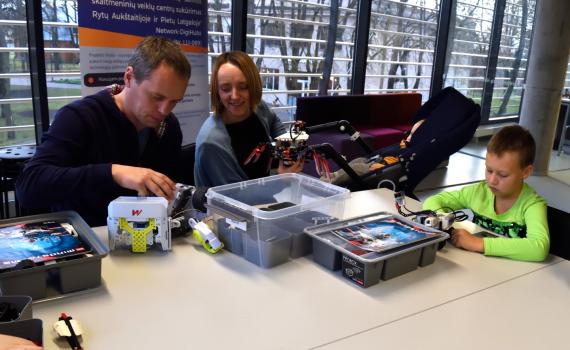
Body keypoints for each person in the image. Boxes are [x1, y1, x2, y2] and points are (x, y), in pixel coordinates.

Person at [16, 36, 191, 226]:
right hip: (88, 238)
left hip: (146, 239)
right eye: (156, 97)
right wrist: (113, 173)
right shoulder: (80, 117)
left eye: (174, 101)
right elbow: (28, 187)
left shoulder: (168, 128)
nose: (164, 110)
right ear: (129, 77)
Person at [423, 125, 549, 262]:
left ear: (525, 172)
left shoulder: (532, 204)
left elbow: (539, 248)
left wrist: (478, 243)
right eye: (489, 170)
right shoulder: (479, 191)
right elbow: (433, 200)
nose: (492, 180)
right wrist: (444, 223)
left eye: (503, 175)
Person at [194, 51, 303, 187]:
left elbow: (273, 121)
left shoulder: (257, 107)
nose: (235, 96)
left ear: (253, 86)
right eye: (225, 88)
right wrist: (281, 180)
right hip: (233, 205)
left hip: (262, 198)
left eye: (243, 87)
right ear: (217, 91)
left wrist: (287, 150)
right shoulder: (211, 141)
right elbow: (235, 198)